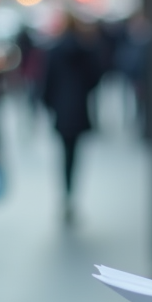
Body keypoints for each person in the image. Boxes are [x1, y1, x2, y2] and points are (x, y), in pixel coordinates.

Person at [41, 13, 102, 222]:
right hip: (79, 107)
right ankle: (70, 193)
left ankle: (66, 193)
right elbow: (95, 77)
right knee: (74, 154)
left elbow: (47, 81)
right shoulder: (85, 50)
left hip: (61, 108)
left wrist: (49, 104)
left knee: (64, 154)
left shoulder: (54, 51)